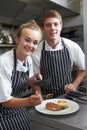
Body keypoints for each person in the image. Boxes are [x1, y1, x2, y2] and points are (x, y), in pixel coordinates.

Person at [31, 10, 86, 98]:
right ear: (42, 28)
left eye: (56, 24)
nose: (53, 28)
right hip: (47, 98)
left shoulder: (72, 46)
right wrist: (39, 96)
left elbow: (83, 68)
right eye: (48, 25)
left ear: (61, 26)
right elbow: (34, 79)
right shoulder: (36, 51)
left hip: (68, 95)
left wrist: (74, 85)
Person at [0, 20, 43, 130]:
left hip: (19, 108)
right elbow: (5, 101)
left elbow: (23, 82)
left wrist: (32, 79)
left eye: (35, 42)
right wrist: (29, 101)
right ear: (18, 39)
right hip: (2, 113)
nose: (31, 46)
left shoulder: (28, 59)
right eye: (27, 40)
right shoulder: (3, 63)